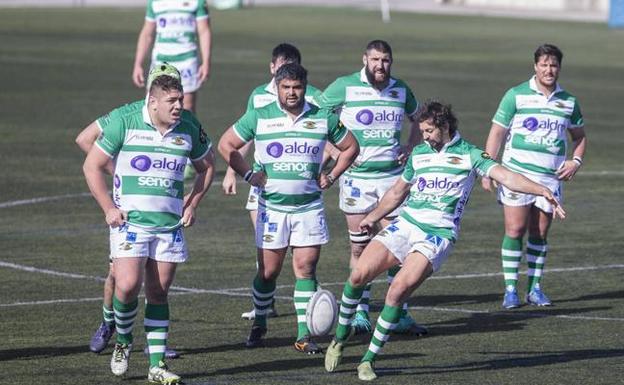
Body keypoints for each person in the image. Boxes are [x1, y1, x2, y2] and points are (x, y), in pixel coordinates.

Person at [323, 101, 566, 381]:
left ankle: (368, 360)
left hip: (437, 236)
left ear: (445, 126)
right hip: (405, 225)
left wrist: (541, 190)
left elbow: (506, 176)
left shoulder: (470, 154)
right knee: (358, 276)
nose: (424, 135)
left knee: (397, 291)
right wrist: (372, 216)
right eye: (422, 130)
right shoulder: (419, 154)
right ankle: (339, 340)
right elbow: (397, 192)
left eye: (429, 130)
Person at [83, 63, 215, 384]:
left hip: (169, 226)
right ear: (152, 102)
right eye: (172, 101)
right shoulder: (126, 121)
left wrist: (193, 202)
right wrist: (109, 208)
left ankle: (156, 365)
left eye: (180, 100)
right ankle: (124, 342)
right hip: (131, 223)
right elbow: (92, 165)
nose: (179, 106)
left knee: (158, 292)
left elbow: (207, 166)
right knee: (126, 285)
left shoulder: (188, 126)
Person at [218, 63, 359, 354]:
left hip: (308, 208)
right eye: (286, 88)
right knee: (269, 272)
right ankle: (259, 319)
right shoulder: (260, 115)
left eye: (297, 87)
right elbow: (226, 145)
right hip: (271, 209)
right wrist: (248, 175)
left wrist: (331, 175)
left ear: (304, 88)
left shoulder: (323, 116)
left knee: (305, 268)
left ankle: (303, 335)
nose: (292, 93)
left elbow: (351, 148)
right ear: (278, 87)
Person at [315, 39, 424, 335]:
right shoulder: (344, 86)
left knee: (398, 246)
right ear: (364, 59)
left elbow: (420, 117)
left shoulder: (401, 89)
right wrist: (337, 152)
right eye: (375, 59)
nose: (380, 65)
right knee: (360, 245)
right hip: (356, 181)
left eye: (385, 60)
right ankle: (361, 310)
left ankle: (398, 311)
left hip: (392, 180)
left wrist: (411, 146)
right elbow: (315, 117)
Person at [78, 67, 182, 360]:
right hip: (128, 212)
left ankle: (154, 344)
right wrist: (118, 171)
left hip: (160, 215)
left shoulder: (178, 121)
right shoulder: (125, 115)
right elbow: (85, 140)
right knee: (119, 278)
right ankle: (109, 323)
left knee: (154, 284)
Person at [221, 43, 323, 321]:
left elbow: (323, 136)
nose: (288, 84)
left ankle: (308, 299)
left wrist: (325, 168)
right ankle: (265, 304)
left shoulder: (314, 98)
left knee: (301, 258)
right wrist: (234, 171)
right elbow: (246, 136)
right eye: (280, 69)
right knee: (267, 255)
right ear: (273, 69)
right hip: (263, 184)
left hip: (302, 190)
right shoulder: (258, 97)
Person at [481, 44, 587, 309]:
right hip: (517, 174)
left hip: (550, 180)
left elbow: (580, 136)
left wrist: (575, 160)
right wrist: (487, 168)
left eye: (553, 65)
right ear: (535, 66)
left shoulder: (569, 101)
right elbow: (497, 133)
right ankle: (510, 290)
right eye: (544, 65)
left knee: (539, 232)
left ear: (559, 68)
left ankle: (534, 288)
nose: (549, 70)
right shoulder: (516, 95)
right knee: (515, 229)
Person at [132, 0, 212, 114]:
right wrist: (138, 64)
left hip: (186, 62)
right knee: (152, 109)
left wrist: (206, 62)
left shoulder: (197, 2)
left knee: (185, 111)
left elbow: (204, 31)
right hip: (160, 63)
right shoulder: (154, 2)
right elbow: (147, 33)